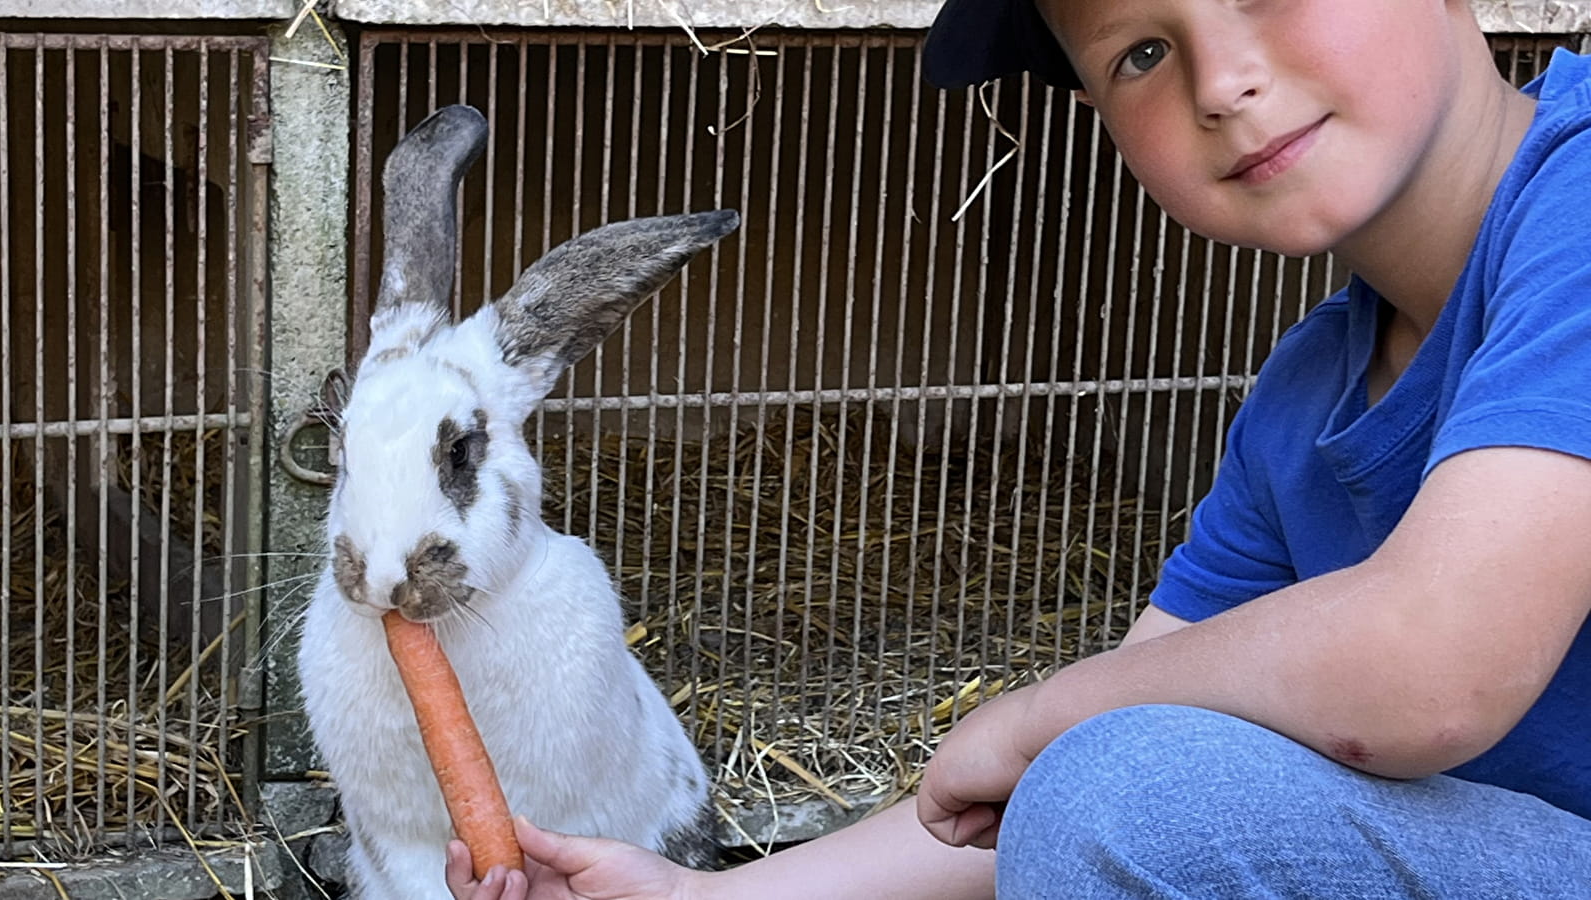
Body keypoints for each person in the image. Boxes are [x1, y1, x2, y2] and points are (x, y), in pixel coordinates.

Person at [446, 0, 1591, 896]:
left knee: (1123, 791)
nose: (1223, 83)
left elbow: (1434, 668)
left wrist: (1047, 712)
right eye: (1139, 53)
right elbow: (1076, 767)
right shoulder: (1304, 393)